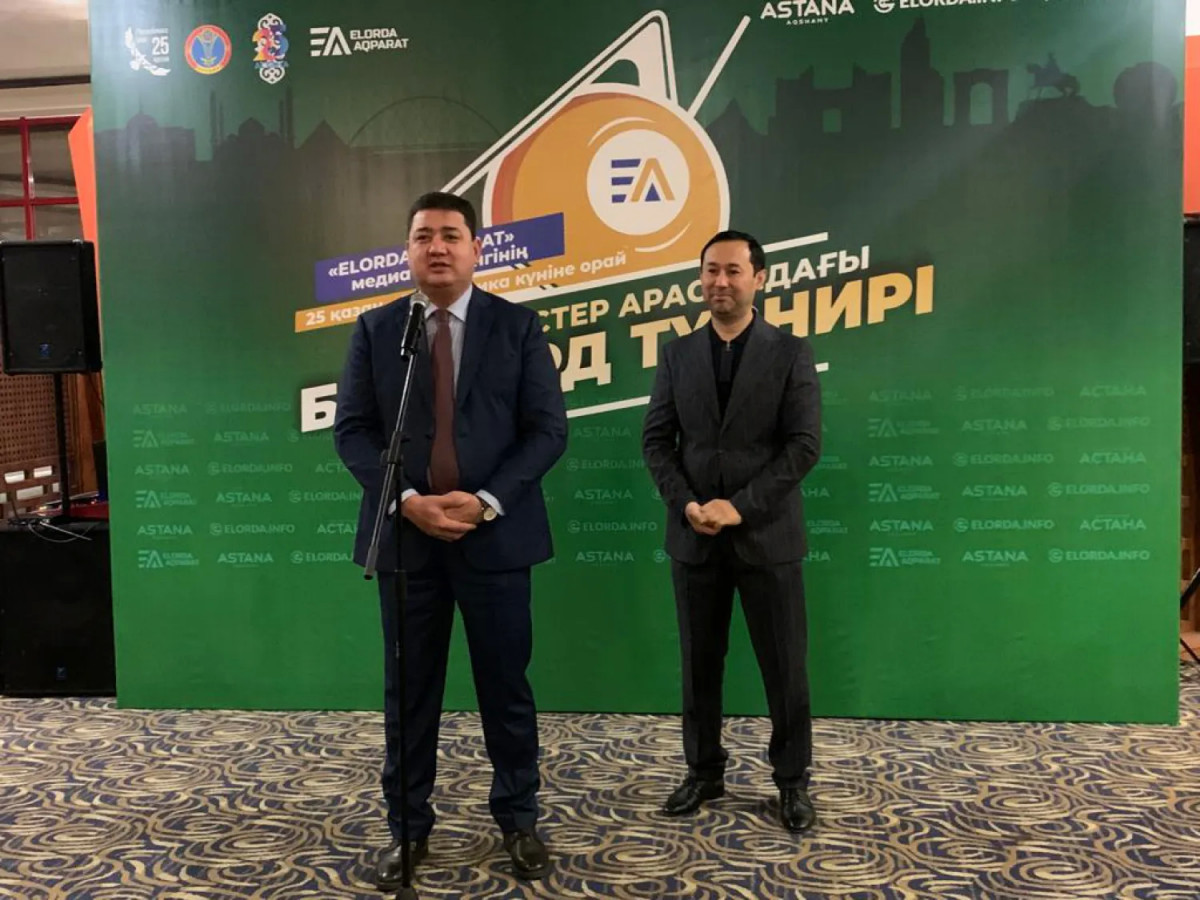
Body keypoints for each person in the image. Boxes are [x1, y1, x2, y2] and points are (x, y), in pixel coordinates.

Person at [334, 191, 567, 885]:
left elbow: (548, 430)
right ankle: (407, 831)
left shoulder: (518, 327)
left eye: (451, 235)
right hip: (408, 544)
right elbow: (353, 432)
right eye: (423, 236)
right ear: (407, 250)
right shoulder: (378, 329)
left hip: (496, 539)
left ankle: (518, 821)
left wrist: (487, 501)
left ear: (476, 249)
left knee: (506, 687)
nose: (437, 247)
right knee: (408, 693)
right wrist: (406, 501)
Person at [642, 229, 822, 833]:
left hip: (767, 538)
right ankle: (703, 772)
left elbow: (803, 446)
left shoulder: (791, 352)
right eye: (710, 271)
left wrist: (739, 507)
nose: (720, 282)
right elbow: (656, 441)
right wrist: (688, 504)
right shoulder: (677, 354)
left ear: (759, 279)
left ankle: (792, 782)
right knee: (699, 666)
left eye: (733, 271)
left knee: (785, 668)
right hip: (694, 537)